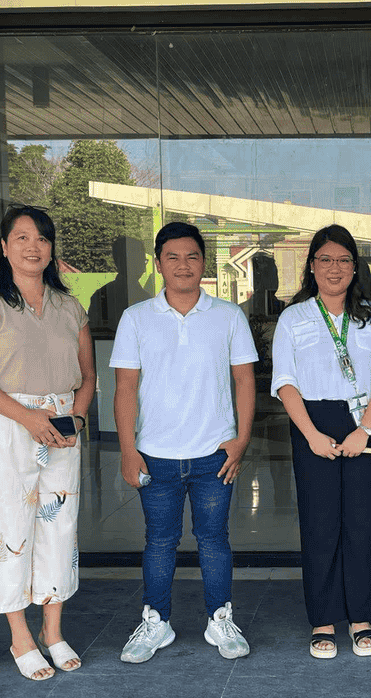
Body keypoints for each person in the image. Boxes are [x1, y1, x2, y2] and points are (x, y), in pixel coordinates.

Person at [0, 205, 96, 681]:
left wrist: (75, 416)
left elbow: (88, 375)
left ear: (51, 248)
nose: (32, 246)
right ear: (4, 247)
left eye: (41, 238)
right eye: (21, 238)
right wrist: (27, 417)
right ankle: (21, 636)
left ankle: (53, 631)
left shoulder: (69, 306)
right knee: (8, 527)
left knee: (58, 524)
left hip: (60, 425)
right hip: (6, 424)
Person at [111, 221, 257, 663]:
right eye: (172, 257)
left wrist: (241, 441)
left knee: (214, 540)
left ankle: (220, 620)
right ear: (158, 264)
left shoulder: (228, 316)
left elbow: (245, 380)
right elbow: (125, 388)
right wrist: (127, 448)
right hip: (155, 455)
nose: (183, 265)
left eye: (192, 256)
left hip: (214, 454)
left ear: (204, 263)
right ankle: (156, 622)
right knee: (159, 541)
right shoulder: (136, 318)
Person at [271, 224, 371, 659]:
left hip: (366, 419)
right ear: (311, 265)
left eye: (344, 260)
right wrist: (311, 435)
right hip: (313, 420)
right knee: (320, 522)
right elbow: (284, 381)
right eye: (325, 259)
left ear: (355, 266)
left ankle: (361, 617)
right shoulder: (294, 317)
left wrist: (364, 428)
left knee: (362, 522)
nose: (334, 268)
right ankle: (323, 619)